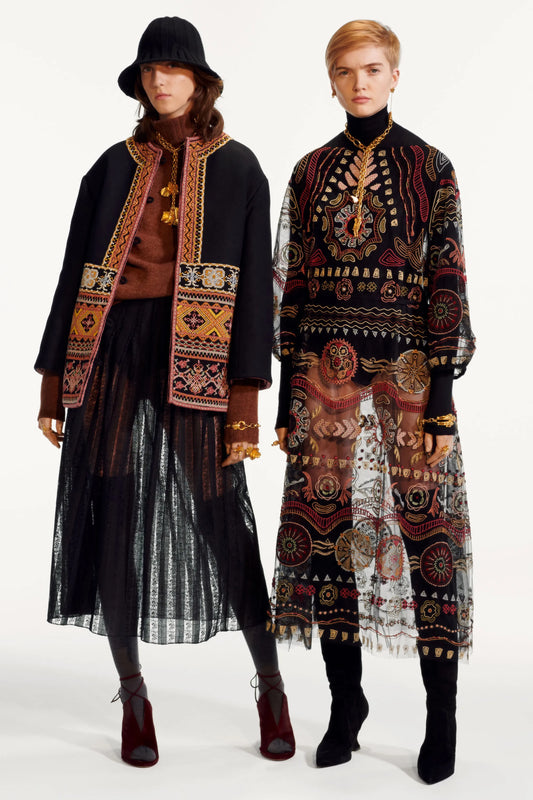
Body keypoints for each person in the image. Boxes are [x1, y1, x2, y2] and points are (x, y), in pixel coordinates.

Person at [35, 16, 294, 767]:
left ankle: (271, 686)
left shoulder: (239, 167)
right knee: (112, 509)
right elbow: (73, 271)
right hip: (111, 347)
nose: (160, 80)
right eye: (150, 69)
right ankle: (133, 695)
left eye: (173, 68)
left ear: (200, 80)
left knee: (220, 514)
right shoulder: (110, 166)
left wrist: (244, 406)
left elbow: (255, 296)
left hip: (199, 350)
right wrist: (53, 384)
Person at [269, 19, 475, 784]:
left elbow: (447, 280)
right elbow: (289, 285)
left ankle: (440, 717)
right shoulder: (308, 171)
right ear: (330, 82)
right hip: (321, 375)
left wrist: (442, 398)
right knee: (327, 538)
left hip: (410, 376)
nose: (360, 82)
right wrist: (287, 397)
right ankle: (344, 707)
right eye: (345, 71)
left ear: (394, 75)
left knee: (428, 540)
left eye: (373, 68)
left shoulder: (430, 167)